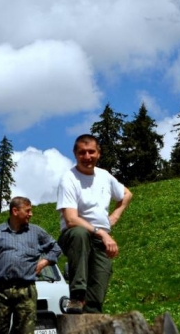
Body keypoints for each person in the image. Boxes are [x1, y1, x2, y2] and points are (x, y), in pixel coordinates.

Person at [56, 134, 133, 315]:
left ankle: (91, 315)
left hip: (100, 240)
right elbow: (71, 219)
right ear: (75, 154)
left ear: (99, 153)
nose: (87, 157)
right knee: (79, 234)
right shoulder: (69, 178)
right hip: (74, 236)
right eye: (82, 153)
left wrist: (114, 216)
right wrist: (104, 233)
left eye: (91, 152)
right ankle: (76, 296)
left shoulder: (104, 176)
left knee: (97, 292)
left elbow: (127, 194)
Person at [0, 197, 62, 334]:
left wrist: (43, 262)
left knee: (25, 331)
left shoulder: (36, 232)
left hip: (26, 290)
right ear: (15, 211)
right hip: (0, 291)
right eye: (28, 210)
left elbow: (56, 248)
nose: (31, 214)